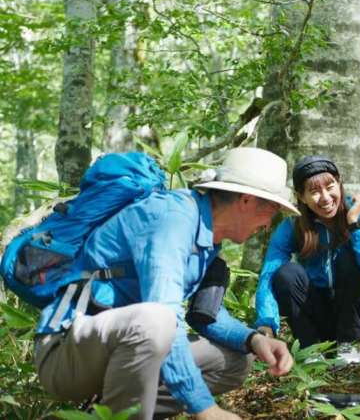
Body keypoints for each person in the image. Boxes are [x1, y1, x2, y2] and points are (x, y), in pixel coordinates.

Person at [32, 147, 297, 420]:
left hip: (118, 350)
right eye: (271, 212)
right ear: (246, 201)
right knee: (157, 320)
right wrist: (205, 409)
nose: (268, 225)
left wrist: (254, 340)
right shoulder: (172, 219)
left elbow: (207, 315)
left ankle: (105, 414)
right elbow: (163, 317)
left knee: (233, 362)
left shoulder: (206, 239)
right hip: (65, 354)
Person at [255, 155, 360, 364]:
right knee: (286, 273)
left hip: (353, 314)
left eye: (330, 186)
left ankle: (348, 346)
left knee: (353, 260)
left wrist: (353, 223)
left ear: (339, 184)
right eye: (314, 191)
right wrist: (267, 322)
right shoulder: (292, 226)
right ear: (301, 196)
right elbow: (269, 274)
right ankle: (311, 350)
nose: (325, 198)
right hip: (317, 312)